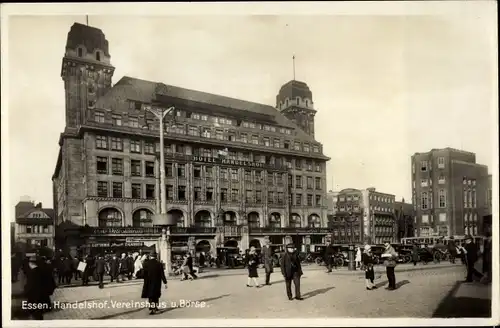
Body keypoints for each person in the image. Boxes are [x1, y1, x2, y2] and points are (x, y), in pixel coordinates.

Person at [23, 256, 56, 320]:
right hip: (41, 295)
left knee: (36, 313)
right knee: (39, 312)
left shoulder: (33, 272)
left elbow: (30, 285)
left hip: (35, 296)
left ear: (31, 264)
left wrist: (26, 292)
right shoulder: (42, 270)